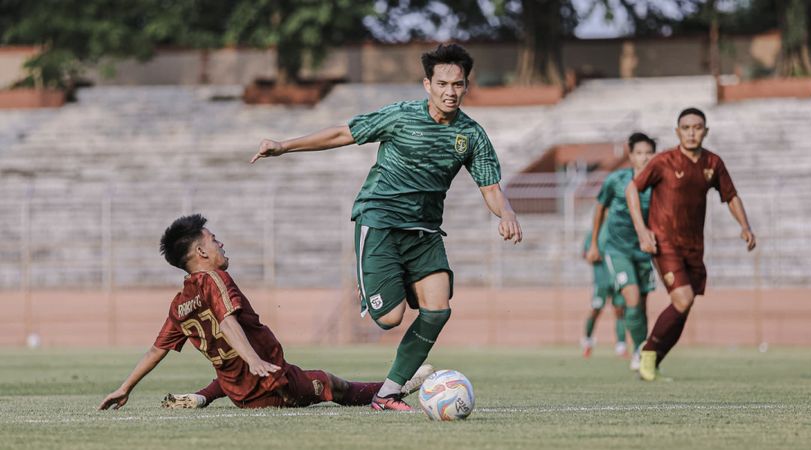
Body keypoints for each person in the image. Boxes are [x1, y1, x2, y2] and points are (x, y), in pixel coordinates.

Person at [249, 43, 523, 411]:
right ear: (427, 84)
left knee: (438, 310)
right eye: (442, 83)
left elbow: (491, 188)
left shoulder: (471, 135)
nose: (450, 92)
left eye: (458, 84)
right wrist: (284, 146)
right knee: (390, 319)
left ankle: (387, 392)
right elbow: (342, 133)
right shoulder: (401, 116)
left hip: (424, 231)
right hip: (379, 221)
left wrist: (506, 213)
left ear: (466, 86)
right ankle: (379, 281)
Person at [98, 214, 429, 411]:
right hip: (273, 382)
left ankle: (202, 397)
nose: (221, 244)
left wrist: (126, 387)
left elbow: (157, 350)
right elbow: (227, 322)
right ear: (201, 251)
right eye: (214, 240)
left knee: (230, 369)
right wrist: (255, 360)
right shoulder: (213, 278)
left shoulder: (179, 304)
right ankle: (398, 387)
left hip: (240, 393)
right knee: (334, 385)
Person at [626, 108, 756, 381]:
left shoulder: (712, 163)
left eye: (697, 127)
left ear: (705, 131)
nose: (692, 132)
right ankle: (647, 353)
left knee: (684, 306)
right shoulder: (663, 161)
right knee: (682, 299)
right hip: (664, 242)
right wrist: (642, 230)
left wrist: (744, 226)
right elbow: (632, 189)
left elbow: (730, 196)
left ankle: (653, 359)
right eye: (686, 128)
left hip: (694, 247)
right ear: (678, 132)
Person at [585, 132, 657, 369]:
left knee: (642, 303)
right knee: (631, 297)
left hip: (645, 251)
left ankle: (643, 351)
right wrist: (595, 242)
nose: (644, 157)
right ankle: (637, 350)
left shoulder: (658, 184)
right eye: (639, 153)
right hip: (617, 250)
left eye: (648, 153)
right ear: (631, 155)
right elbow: (599, 208)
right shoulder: (616, 180)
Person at [580, 213, 627, 359]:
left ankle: (621, 346)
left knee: (619, 311)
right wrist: (592, 255)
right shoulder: (594, 234)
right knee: (596, 309)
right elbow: (585, 253)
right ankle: (587, 341)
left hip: (617, 278)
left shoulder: (618, 232)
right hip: (601, 280)